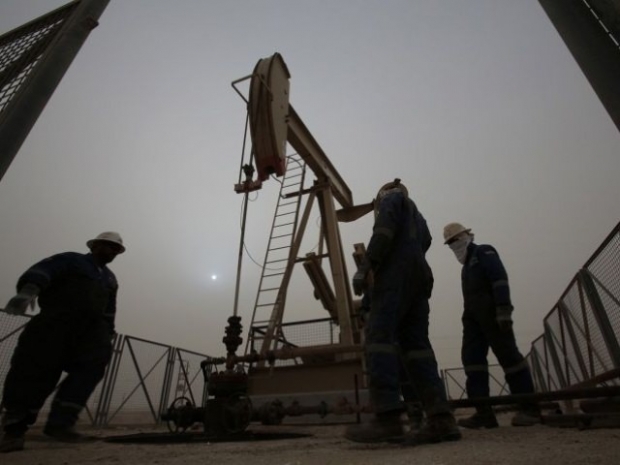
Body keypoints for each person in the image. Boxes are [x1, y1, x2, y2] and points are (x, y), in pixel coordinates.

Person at [345, 179, 460, 445]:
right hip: (420, 279)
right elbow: (426, 242)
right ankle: (440, 418)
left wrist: (367, 265)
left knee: (379, 339)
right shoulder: (419, 217)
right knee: (417, 347)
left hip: (395, 276)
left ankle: (387, 418)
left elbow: (384, 231)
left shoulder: (392, 199)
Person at [0, 232, 125, 453]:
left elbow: (109, 308)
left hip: (89, 333)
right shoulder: (71, 260)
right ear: (94, 246)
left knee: (92, 367)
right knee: (34, 371)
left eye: (115, 249)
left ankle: (61, 424)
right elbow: (44, 270)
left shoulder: (109, 279)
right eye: (107, 246)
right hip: (54, 324)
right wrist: (28, 291)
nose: (111, 251)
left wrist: (107, 331)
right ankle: (14, 429)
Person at [443, 222, 540, 428]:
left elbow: (499, 278)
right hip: (473, 319)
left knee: (509, 357)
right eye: (450, 243)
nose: (453, 245)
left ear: (466, 236)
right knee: (472, 361)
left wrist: (503, 309)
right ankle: (484, 413)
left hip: (492, 315)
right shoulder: (466, 268)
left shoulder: (483, 252)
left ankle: (529, 408)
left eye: (455, 240)